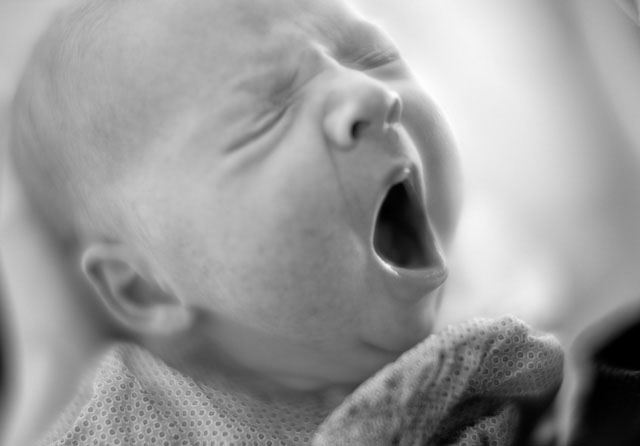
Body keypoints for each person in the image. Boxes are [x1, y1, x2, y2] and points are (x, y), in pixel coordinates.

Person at [1, 0, 563, 444]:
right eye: (267, 112)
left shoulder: (504, 339)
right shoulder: (135, 423)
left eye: (373, 55)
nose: (370, 93)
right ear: (144, 287)